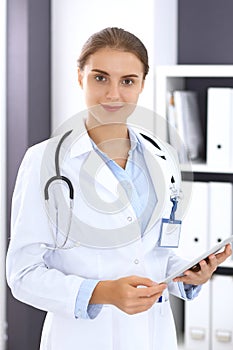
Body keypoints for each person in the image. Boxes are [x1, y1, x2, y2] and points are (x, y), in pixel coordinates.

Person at [6, 27, 232, 350]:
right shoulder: (45, 161)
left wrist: (185, 274)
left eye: (128, 81)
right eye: (100, 78)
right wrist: (103, 293)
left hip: (154, 336)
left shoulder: (162, 156)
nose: (113, 94)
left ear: (142, 85)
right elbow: (22, 274)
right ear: (80, 77)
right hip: (83, 339)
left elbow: (150, 255)